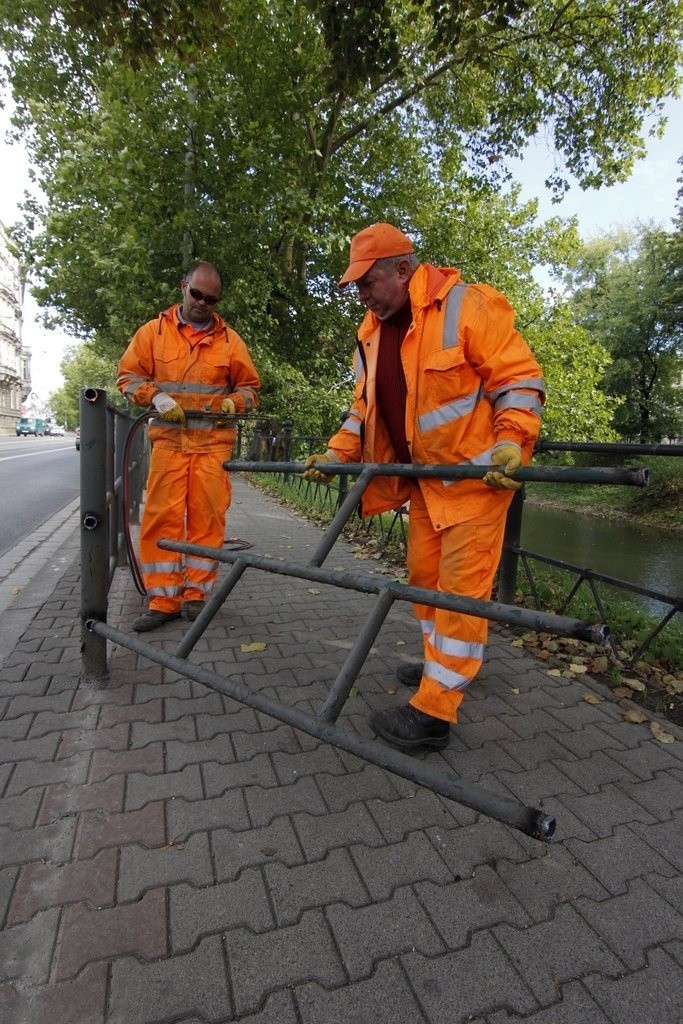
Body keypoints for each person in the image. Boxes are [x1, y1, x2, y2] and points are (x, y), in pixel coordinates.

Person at [305, 223, 545, 751]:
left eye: (367, 283)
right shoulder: (371, 331)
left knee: (460, 597)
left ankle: (436, 712)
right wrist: (335, 454)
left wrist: (512, 443)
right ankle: (446, 668)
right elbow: (363, 411)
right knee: (423, 583)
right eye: (358, 287)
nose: (362, 296)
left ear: (403, 269)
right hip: (423, 486)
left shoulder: (469, 306)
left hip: (476, 483)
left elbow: (519, 381)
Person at [117, 261, 260, 631]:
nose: (202, 303)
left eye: (211, 299)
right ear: (183, 286)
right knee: (161, 520)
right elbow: (128, 377)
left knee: (207, 520)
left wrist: (235, 403)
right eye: (197, 294)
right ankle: (163, 599)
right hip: (169, 443)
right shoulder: (153, 333)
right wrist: (157, 398)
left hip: (212, 446)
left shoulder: (231, 342)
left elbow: (249, 389)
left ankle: (196, 595)